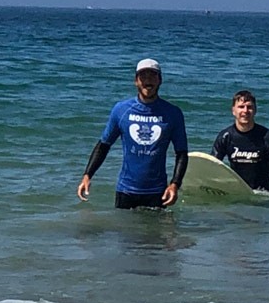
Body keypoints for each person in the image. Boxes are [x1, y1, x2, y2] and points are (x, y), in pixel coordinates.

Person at [77, 58, 188, 209]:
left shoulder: (173, 113)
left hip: (158, 192)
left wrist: (175, 184)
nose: (147, 80)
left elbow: (181, 152)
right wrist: (87, 175)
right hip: (126, 191)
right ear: (136, 81)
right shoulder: (121, 110)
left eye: (152, 75)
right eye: (143, 76)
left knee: (157, 233)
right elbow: (104, 145)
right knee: (124, 232)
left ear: (160, 80)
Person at [211, 90, 269, 193]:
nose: (245, 111)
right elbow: (213, 166)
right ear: (233, 110)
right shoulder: (225, 137)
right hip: (238, 192)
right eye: (241, 107)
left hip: (261, 193)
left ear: (255, 110)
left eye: (249, 107)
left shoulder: (267, 137)